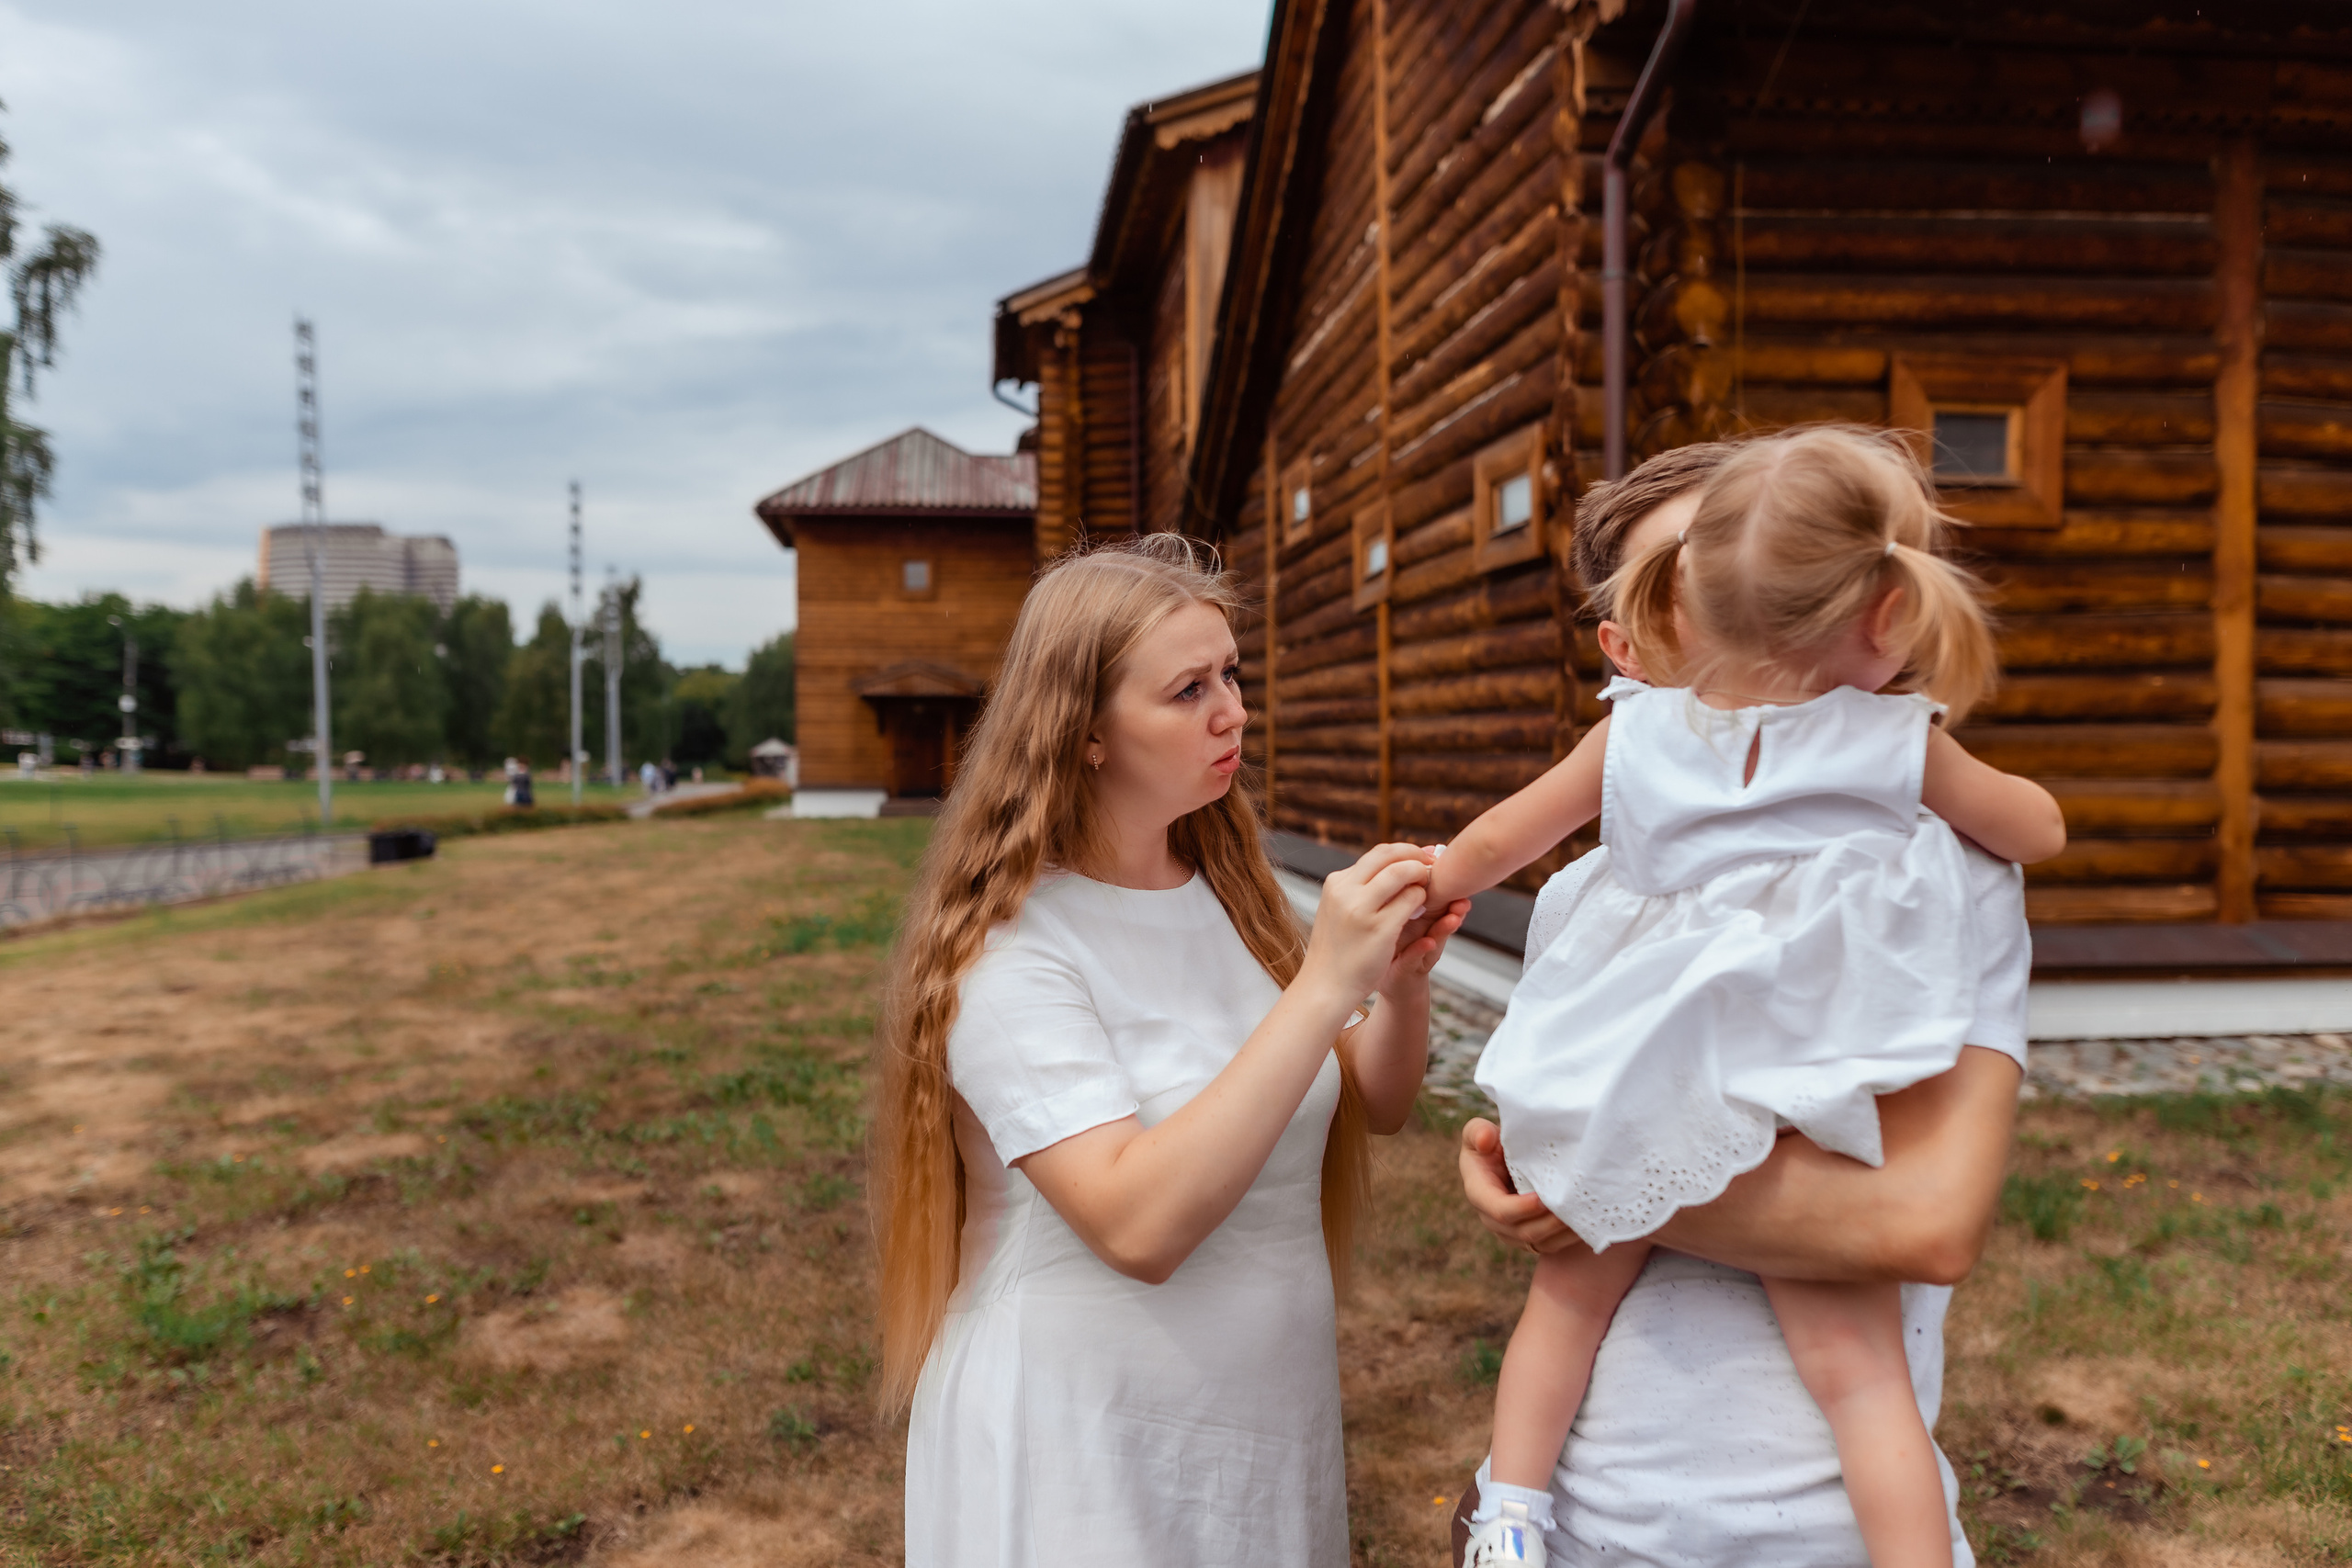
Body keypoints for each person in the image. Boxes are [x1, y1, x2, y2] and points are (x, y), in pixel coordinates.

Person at [1440, 428, 2064, 1568]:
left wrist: (1579, 1162)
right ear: (1888, 610)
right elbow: (2036, 826)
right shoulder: (1893, 756)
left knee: (1564, 1309)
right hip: (1799, 1093)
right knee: (1860, 1376)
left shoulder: (1631, 754)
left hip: (1638, 1091)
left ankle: (1510, 1517)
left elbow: (1488, 845)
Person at [875, 535, 1471, 1568]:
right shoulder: (1010, 954)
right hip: (1081, 1447)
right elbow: (1137, 1225)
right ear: (1085, 733)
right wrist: (1325, 985)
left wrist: (1401, 981)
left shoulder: (1231, 896)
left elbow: (1369, 1099)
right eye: (1188, 689)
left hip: (1259, 1430)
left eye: (1231, 674)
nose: (1233, 711)